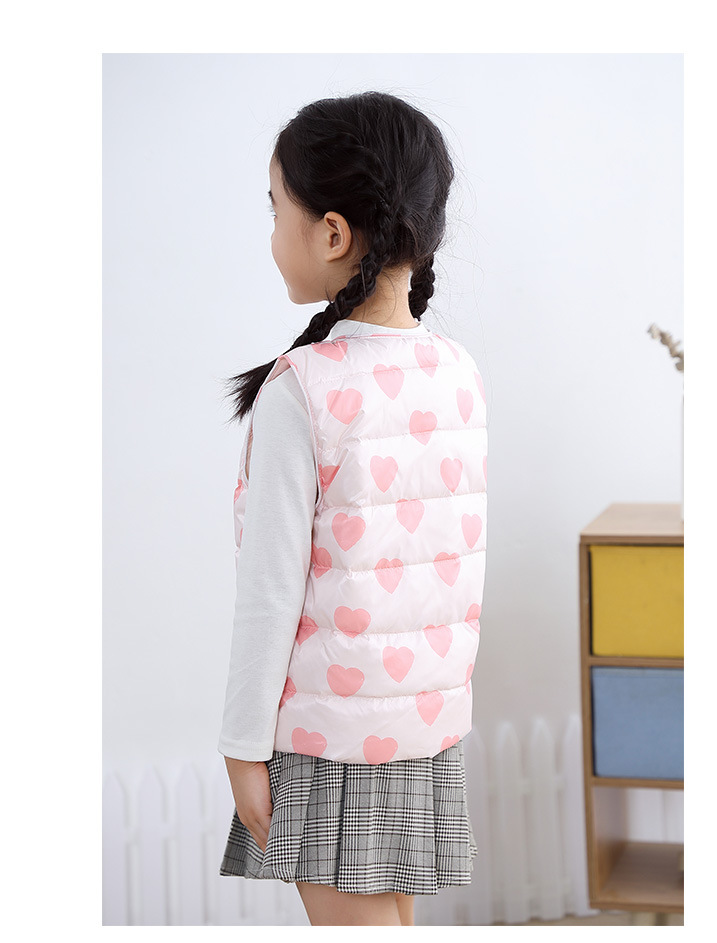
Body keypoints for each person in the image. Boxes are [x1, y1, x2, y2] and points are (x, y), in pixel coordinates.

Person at [217, 90, 488, 927]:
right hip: (424, 727)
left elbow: (271, 591)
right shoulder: (458, 372)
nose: (272, 233)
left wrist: (242, 744)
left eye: (277, 210)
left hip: (329, 735)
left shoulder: (303, 390)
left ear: (332, 233)